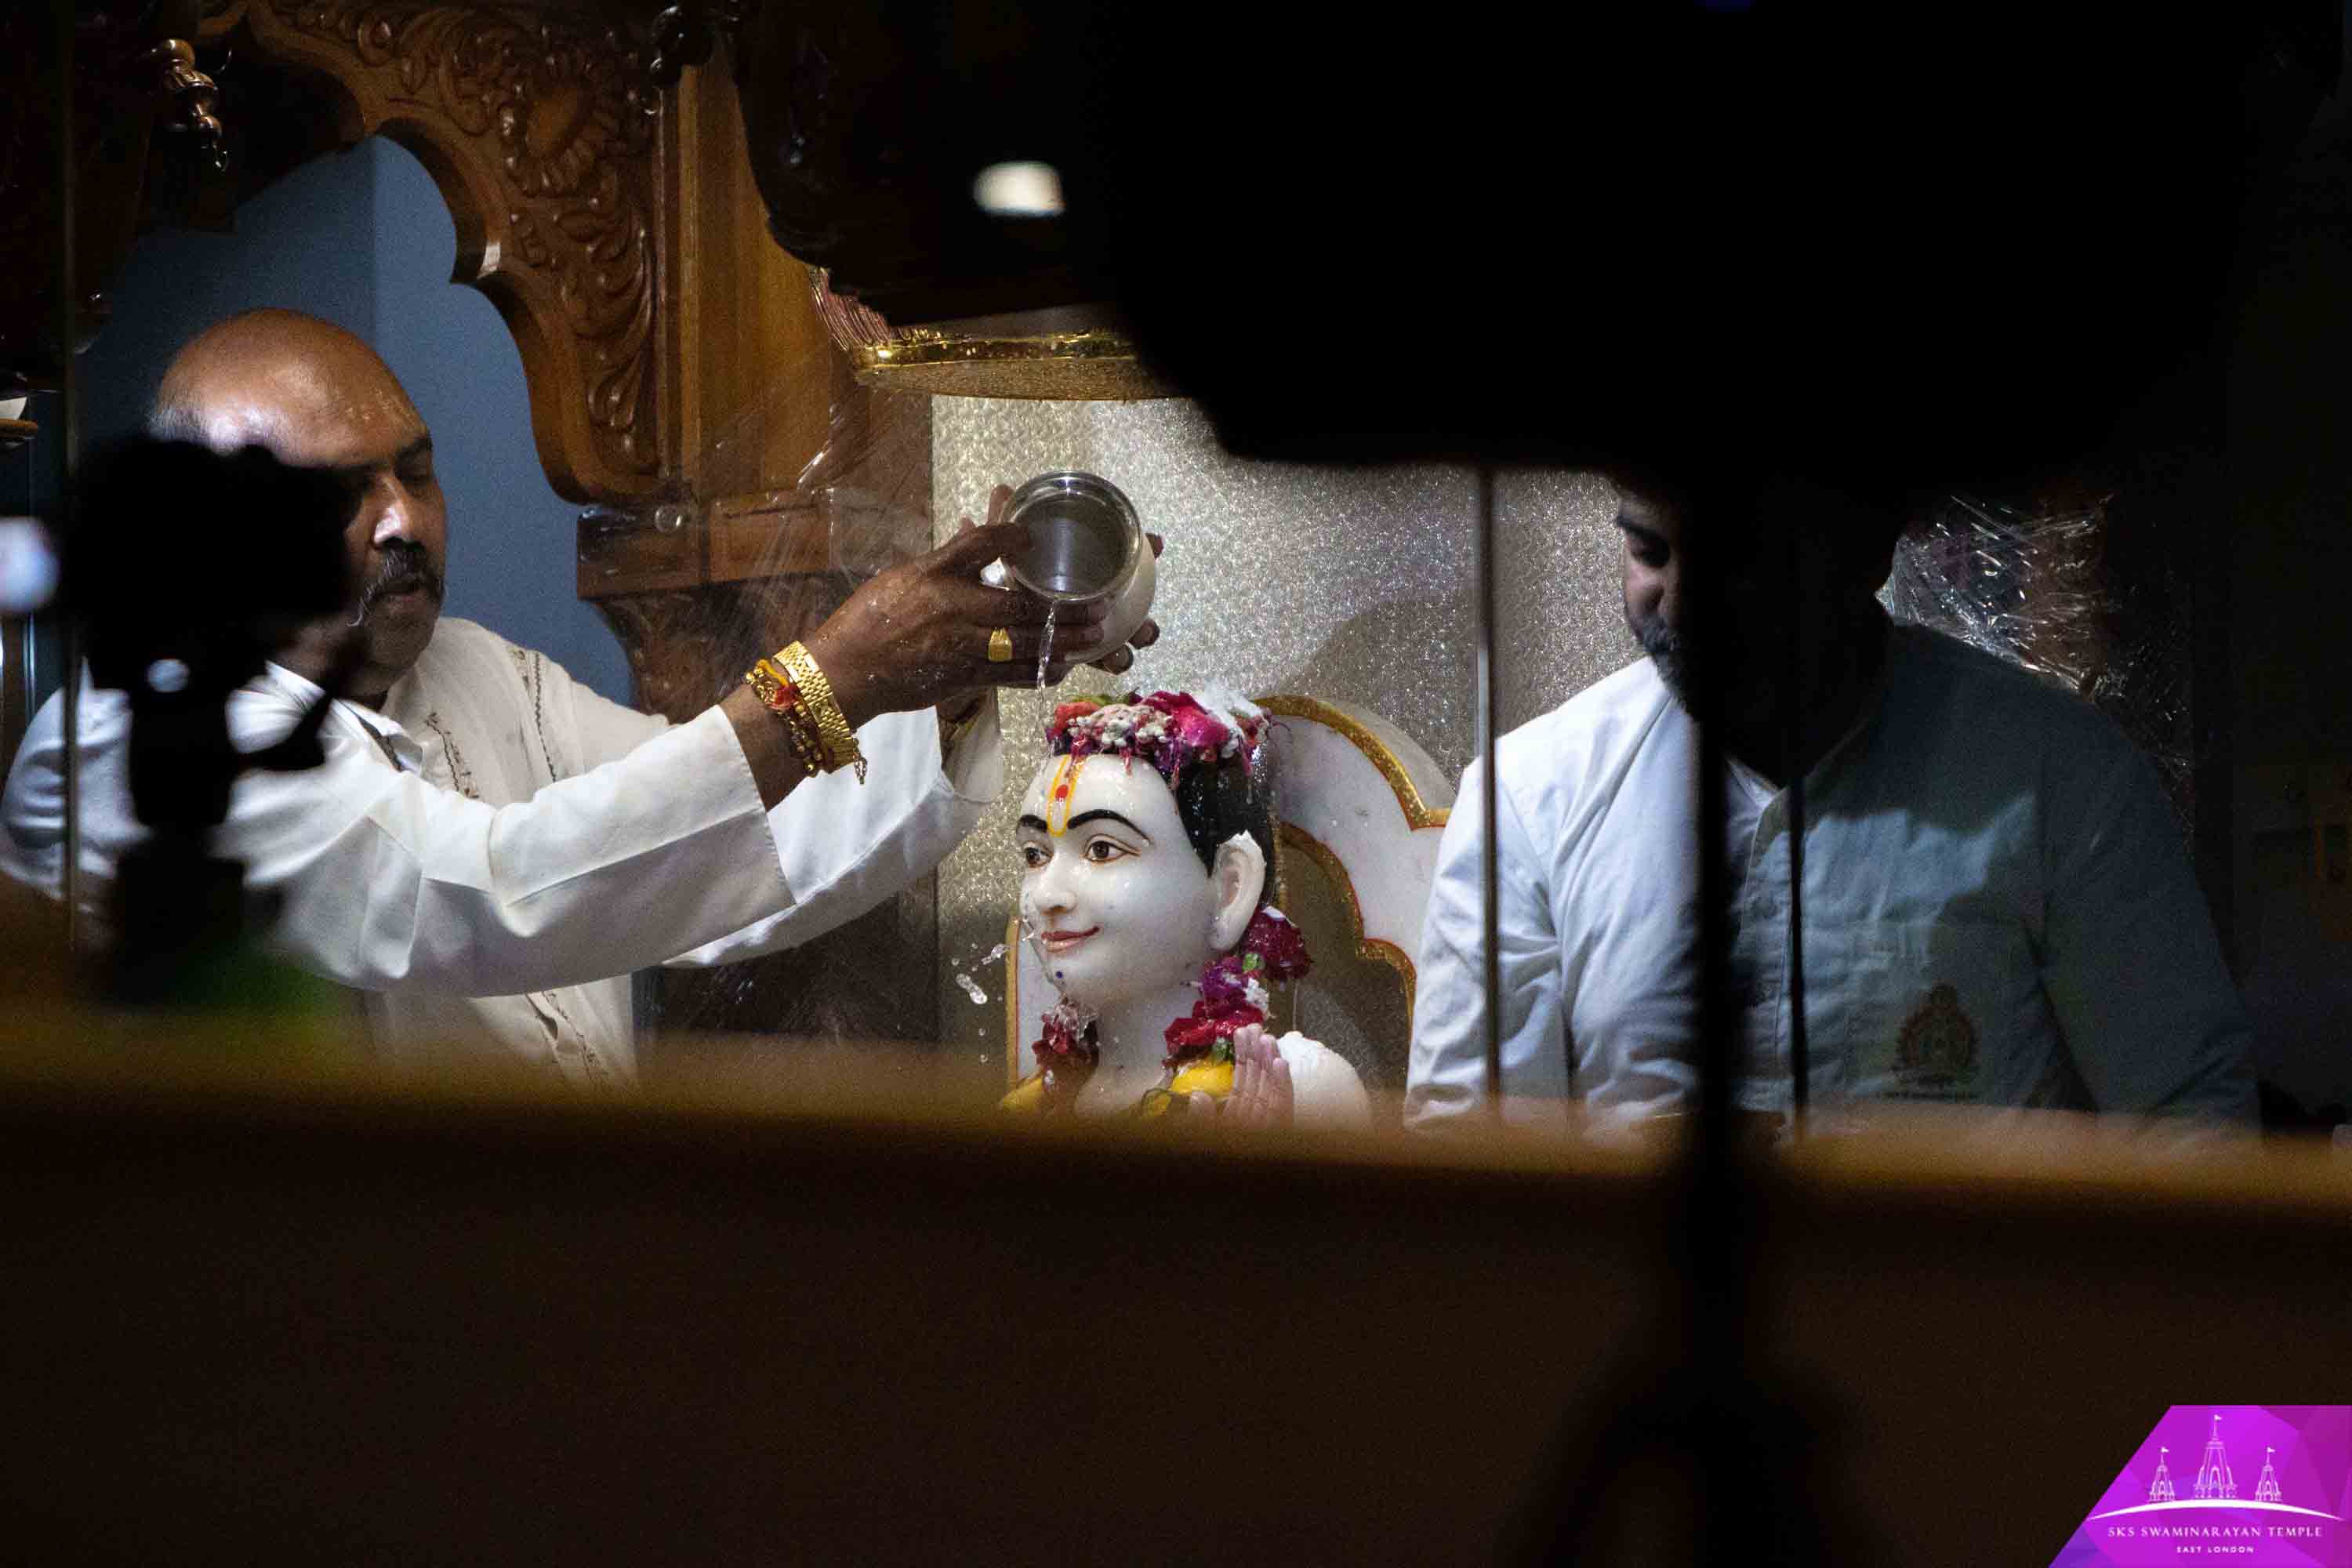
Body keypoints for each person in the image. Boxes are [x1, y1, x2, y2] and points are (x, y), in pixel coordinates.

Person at [1, 308, 1158, 1083]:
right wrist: (836, 673)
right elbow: (483, 892)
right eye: (340, 493)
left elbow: (718, 852)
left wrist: (951, 674)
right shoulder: (130, 741)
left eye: (416, 469)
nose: (403, 521)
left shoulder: (478, 671)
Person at [1405, 474, 2256, 1132]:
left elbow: (2187, 1126)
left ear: (1868, 551)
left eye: (1738, 553)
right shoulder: (1528, 799)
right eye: (1650, 550)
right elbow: (1472, 1170)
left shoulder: (2057, 774)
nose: (1685, 603)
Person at [998, 690, 1370, 1128]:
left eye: (1102, 850)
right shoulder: (1032, 1109)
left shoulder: (1302, 1086)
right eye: (1035, 855)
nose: (1047, 895)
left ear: (1230, 890)